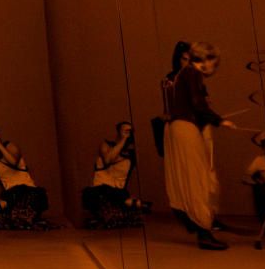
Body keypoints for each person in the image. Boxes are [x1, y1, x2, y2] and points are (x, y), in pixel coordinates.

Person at [160, 41, 232, 250]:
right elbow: (197, 105)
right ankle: (204, 232)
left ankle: (200, 226)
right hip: (185, 127)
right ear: (206, 60)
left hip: (179, 127)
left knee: (191, 178)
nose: (214, 69)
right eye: (214, 64)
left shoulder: (185, 75)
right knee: (197, 179)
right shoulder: (191, 74)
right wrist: (219, 120)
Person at [0, 123, 50, 229]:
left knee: (10, 200)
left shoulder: (10, 146)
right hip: (10, 196)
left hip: (27, 192)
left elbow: (13, 162)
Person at [80, 123, 144, 230]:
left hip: (118, 191)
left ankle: (127, 204)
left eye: (130, 131)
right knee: (98, 193)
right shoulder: (106, 145)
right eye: (125, 131)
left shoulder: (131, 153)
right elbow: (108, 160)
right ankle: (128, 203)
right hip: (100, 190)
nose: (128, 133)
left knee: (121, 199)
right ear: (118, 132)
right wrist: (122, 140)